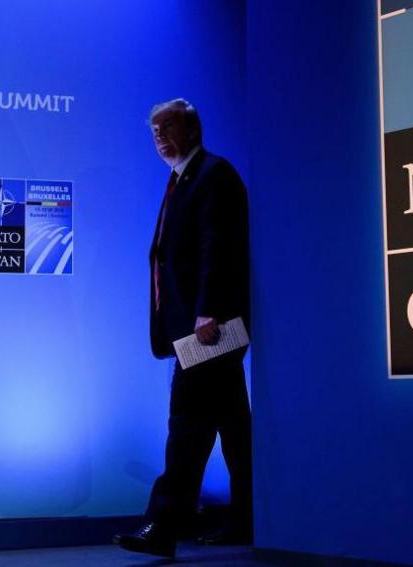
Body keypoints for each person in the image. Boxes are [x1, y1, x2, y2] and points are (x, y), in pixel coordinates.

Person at [114, 99, 253, 558]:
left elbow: (220, 246)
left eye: (167, 127)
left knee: (186, 424)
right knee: (233, 426)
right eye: (154, 130)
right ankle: (248, 517)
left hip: (209, 329)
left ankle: (163, 525)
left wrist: (208, 309)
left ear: (192, 129)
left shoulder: (214, 175)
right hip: (200, 328)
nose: (159, 137)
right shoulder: (182, 179)